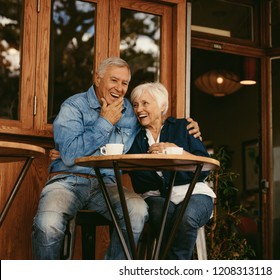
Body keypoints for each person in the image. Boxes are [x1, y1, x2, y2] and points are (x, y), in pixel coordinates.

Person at [32, 57, 201, 260]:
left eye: (125, 83)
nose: (119, 88)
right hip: (68, 180)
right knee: (48, 223)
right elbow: (69, 155)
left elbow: (156, 123)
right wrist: (104, 122)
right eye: (114, 80)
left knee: (137, 211)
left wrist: (186, 127)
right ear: (97, 78)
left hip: (108, 184)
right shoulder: (73, 106)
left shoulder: (131, 111)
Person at [128, 82, 216, 260]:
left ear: (161, 106)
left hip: (194, 193)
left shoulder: (183, 127)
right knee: (163, 218)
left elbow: (205, 168)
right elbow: (137, 179)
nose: (139, 109)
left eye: (145, 103)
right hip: (156, 197)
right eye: (135, 105)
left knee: (186, 217)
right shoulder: (134, 138)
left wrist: (178, 152)